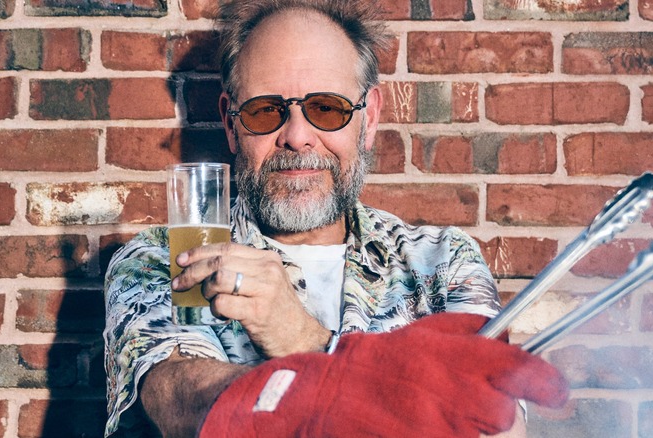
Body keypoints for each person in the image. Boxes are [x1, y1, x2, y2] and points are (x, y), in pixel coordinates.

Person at [103, 1, 568, 437]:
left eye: (327, 108)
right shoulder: (165, 259)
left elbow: (496, 425)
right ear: (230, 123)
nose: (298, 137)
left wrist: (304, 338)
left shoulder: (441, 264)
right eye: (266, 111)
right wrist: (397, 390)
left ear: (368, 120)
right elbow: (182, 402)